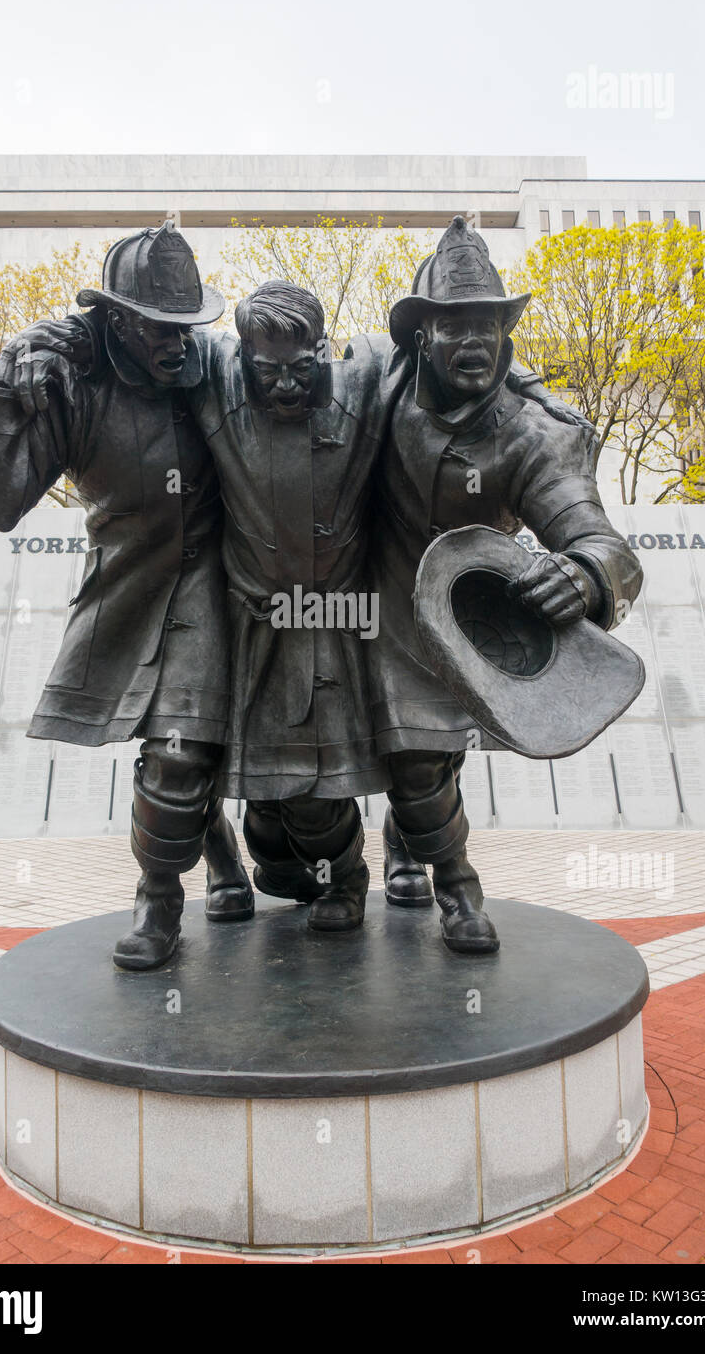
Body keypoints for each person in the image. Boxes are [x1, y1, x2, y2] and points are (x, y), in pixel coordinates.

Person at [0, 220, 253, 971]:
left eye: (186, 324)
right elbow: (0, 506)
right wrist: (5, 398)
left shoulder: (217, 365)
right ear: (115, 318)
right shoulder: (69, 379)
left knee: (182, 743)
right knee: (173, 741)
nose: (175, 340)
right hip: (129, 578)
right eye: (156, 324)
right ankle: (184, 876)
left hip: (223, 580)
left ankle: (162, 888)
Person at [362, 217, 644, 953]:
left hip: (470, 615)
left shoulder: (536, 432)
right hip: (377, 595)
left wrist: (581, 575)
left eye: (486, 324)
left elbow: (597, 539)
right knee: (417, 755)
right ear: (420, 335)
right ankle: (456, 884)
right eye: (454, 326)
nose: (474, 342)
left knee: (434, 753)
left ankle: (410, 850)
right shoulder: (373, 380)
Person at [187, 280, 400, 932]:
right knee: (258, 800)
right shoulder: (216, 382)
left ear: (323, 349)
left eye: (299, 368)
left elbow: (447, 354)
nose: (282, 385)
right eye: (266, 370)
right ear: (244, 357)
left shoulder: (362, 382)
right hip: (243, 622)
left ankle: (349, 880)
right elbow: (148, 337)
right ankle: (271, 869)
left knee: (313, 783)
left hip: (328, 622)